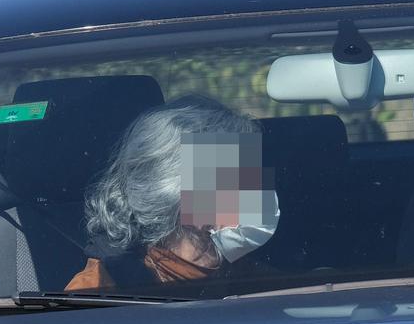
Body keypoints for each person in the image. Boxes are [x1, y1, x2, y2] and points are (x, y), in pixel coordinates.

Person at [67, 95, 281, 288]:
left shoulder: (239, 272)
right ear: (173, 193)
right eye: (234, 178)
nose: (255, 191)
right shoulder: (99, 288)